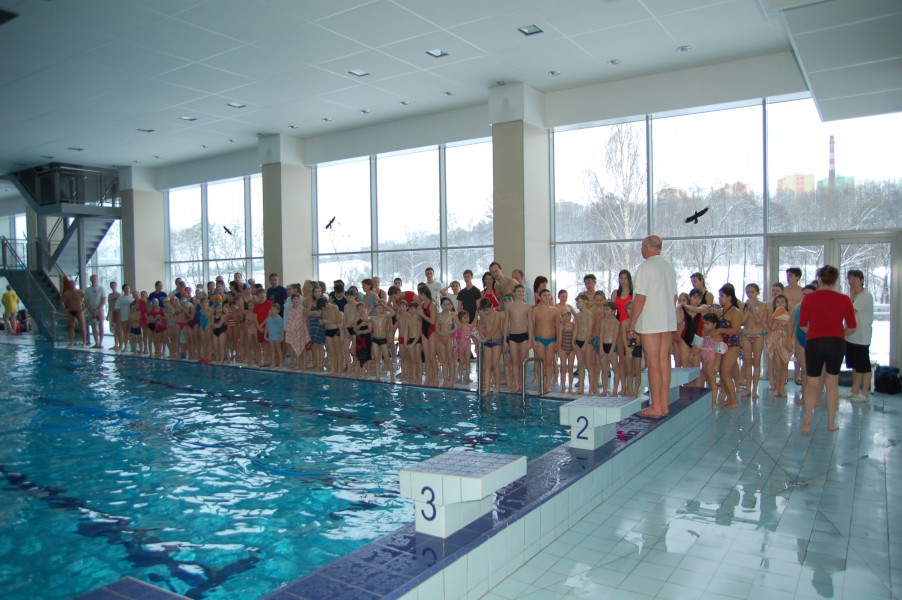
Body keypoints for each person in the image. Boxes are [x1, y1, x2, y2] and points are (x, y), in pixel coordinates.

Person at [799, 265, 856, 433]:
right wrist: (838, 334)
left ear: (819, 279)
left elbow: (802, 325)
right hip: (836, 343)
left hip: (815, 342)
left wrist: (815, 333)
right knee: (832, 383)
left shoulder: (809, 298)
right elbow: (852, 327)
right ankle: (831, 423)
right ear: (835, 280)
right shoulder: (844, 299)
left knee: (813, 382)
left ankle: (808, 418)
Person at [627, 235, 677, 418]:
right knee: (664, 362)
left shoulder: (646, 267)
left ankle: (656, 406)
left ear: (646, 247)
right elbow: (674, 297)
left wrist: (632, 324)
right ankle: (663, 404)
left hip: (651, 321)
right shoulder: (669, 267)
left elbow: (640, 298)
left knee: (653, 363)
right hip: (667, 320)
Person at [844, 269, 873, 402]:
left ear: (861, 280)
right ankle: (854, 390)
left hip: (862, 336)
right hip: (850, 335)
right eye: (849, 279)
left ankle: (864, 393)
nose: (851, 282)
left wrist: (850, 297)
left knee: (863, 365)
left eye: (854, 279)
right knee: (855, 364)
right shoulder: (851, 295)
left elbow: (849, 309)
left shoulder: (866, 295)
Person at [503, 284, 533, 393]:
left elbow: (530, 323)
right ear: (515, 293)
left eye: (522, 291)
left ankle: (523, 385)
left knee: (523, 362)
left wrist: (530, 340)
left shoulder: (528, 307)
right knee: (514, 362)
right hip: (512, 337)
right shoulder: (509, 307)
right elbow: (506, 323)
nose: (521, 293)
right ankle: (516, 385)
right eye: (519, 291)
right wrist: (504, 340)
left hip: (524, 336)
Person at [531, 288, 560, 395]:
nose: (547, 297)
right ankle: (542, 384)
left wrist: (558, 341)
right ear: (539, 297)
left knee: (549, 363)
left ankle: (547, 385)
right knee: (541, 363)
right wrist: (532, 340)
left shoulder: (555, 310)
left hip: (552, 340)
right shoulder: (535, 310)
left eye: (549, 295)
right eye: (544, 295)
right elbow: (532, 326)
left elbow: (558, 327)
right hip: (539, 339)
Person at [740, 283, 767, 398]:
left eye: (752, 292)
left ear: (757, 292)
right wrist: (747, 309)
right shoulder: (744, 306)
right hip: (746, 335)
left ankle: (755, 389)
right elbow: (742, 321)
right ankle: (748, 389)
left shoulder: (763, 305)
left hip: (758, 335)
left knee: (756, 362)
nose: (750, 294)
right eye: (748, 292)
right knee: (747, 363)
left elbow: (758, 320)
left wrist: (753, 308)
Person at [767, 294, 793, 398]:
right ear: (774, 304)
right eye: (778, 302)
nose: (780, 304)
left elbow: (791, 329)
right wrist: (776, 321)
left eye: (782, 302)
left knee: (785, 365)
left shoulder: (790, 315)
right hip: (776, 341)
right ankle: (777, 388)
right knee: (777, 366)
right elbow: (772, 328)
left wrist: (786, 326)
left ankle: (782, 388)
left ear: (786, 303)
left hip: (786, 341)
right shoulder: (772, 315)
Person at [60, 279, 88, 348]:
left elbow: (87, 300)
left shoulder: (80, 292)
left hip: (79, 311)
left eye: (73, 284)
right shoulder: (66, 293)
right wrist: (65, 309)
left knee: (82, 327)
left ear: (75, 285)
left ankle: (84, 343)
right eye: (71, 284)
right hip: (71, 311)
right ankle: (71, 343)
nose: (72, 285)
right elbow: (61, 301)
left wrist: (84, 309)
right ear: (69, 285)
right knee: (71, 327)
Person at [84, 274, 106, 348]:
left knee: (101, 326)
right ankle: (96, 342)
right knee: (93, 326)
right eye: (92, 279)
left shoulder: (101, 288)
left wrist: (97, 310)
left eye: (95, 279)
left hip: (100, 309)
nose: (94, 280)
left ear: (97, 279)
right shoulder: (87, 290)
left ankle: (101, 343)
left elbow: (103, 301)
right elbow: (86, 301)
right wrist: (92, 310)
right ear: (90, 280)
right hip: (91, 310)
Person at [107, 281, 121, 350]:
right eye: (112, 285)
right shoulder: (110, 295)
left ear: (116, 286)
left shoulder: (119, 294)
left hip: (117, 312)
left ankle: (120, 344)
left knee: (118, 329)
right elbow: (109, 305)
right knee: (114, 329)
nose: (113, 286)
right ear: (110, 286)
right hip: (112, 312)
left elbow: (120, 306)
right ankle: (116, 344)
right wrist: (108, 315)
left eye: (115, 285)